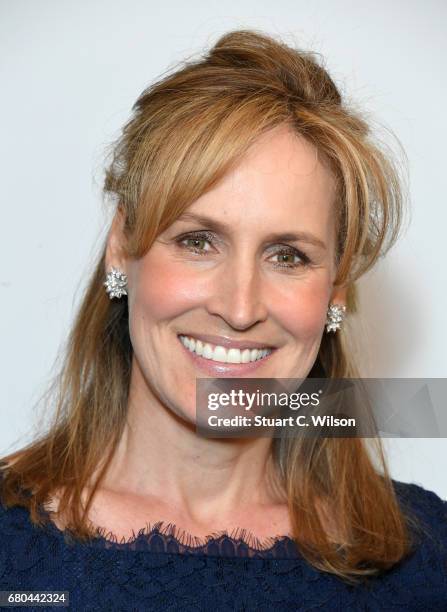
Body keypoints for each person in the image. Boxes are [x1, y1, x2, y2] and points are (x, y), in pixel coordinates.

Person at [0, 28, 446, 611]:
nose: (239, 309)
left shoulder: (427, 559)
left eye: (288, 256)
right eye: (198, 242)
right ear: (120, 247)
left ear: (336, 287)